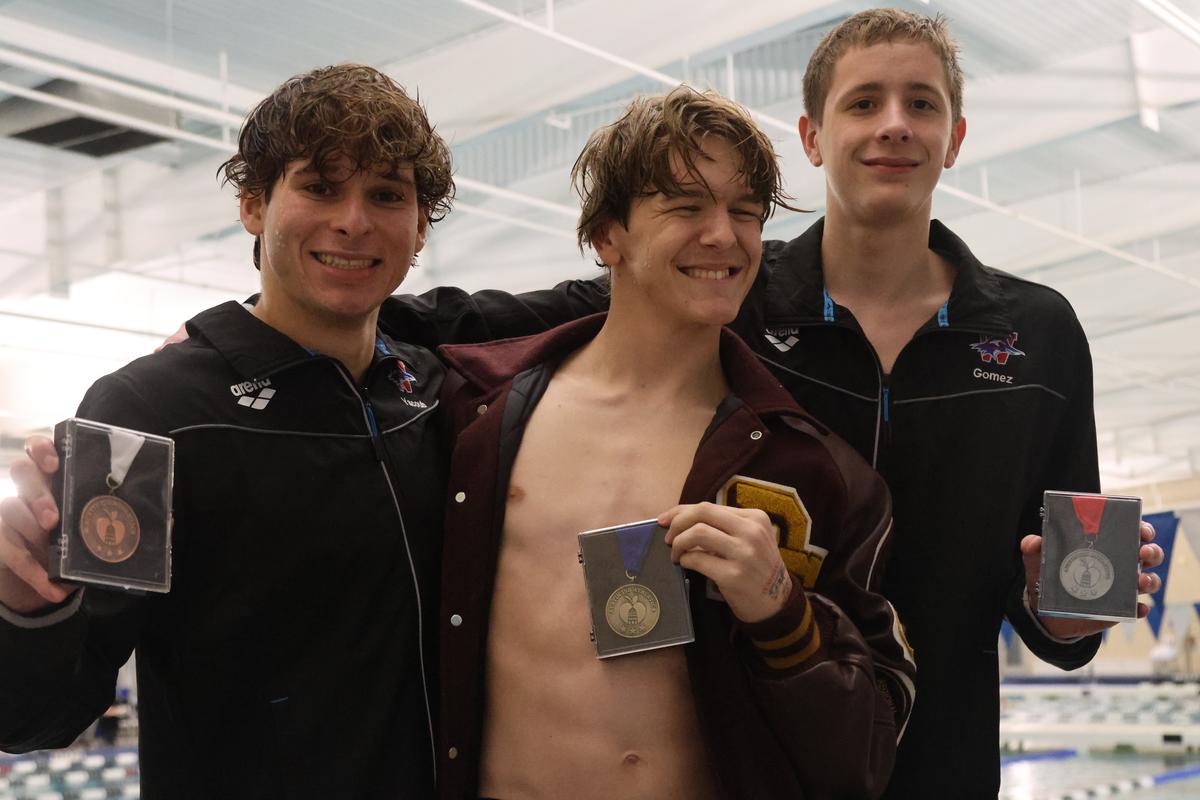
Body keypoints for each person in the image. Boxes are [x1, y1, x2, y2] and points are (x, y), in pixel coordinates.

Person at [371, 9, 1164, 797]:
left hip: (938, 758)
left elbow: (1064, 614)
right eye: (863, 102)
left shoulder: (1036, 336)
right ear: (812, 137)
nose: (894, 124)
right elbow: (478, 320)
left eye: (922, 103)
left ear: (956, 137)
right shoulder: (726, 290)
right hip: (761, 756)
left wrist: (1062, 614)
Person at [434, 86, 915, 799]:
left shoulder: (806, 471)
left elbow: (865, 754)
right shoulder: (476, 413)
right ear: (607, 237)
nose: (723, 235)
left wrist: (780, 611)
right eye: (686, 206)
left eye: (745, 211)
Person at [0, 64, 453, 798]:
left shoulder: (437, 389)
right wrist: (24, 611)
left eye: (387, 195)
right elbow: (35, 718)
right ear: (252, 204)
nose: (354, 221)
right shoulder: (146, 413)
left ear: (420, 226)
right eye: (320, 186)